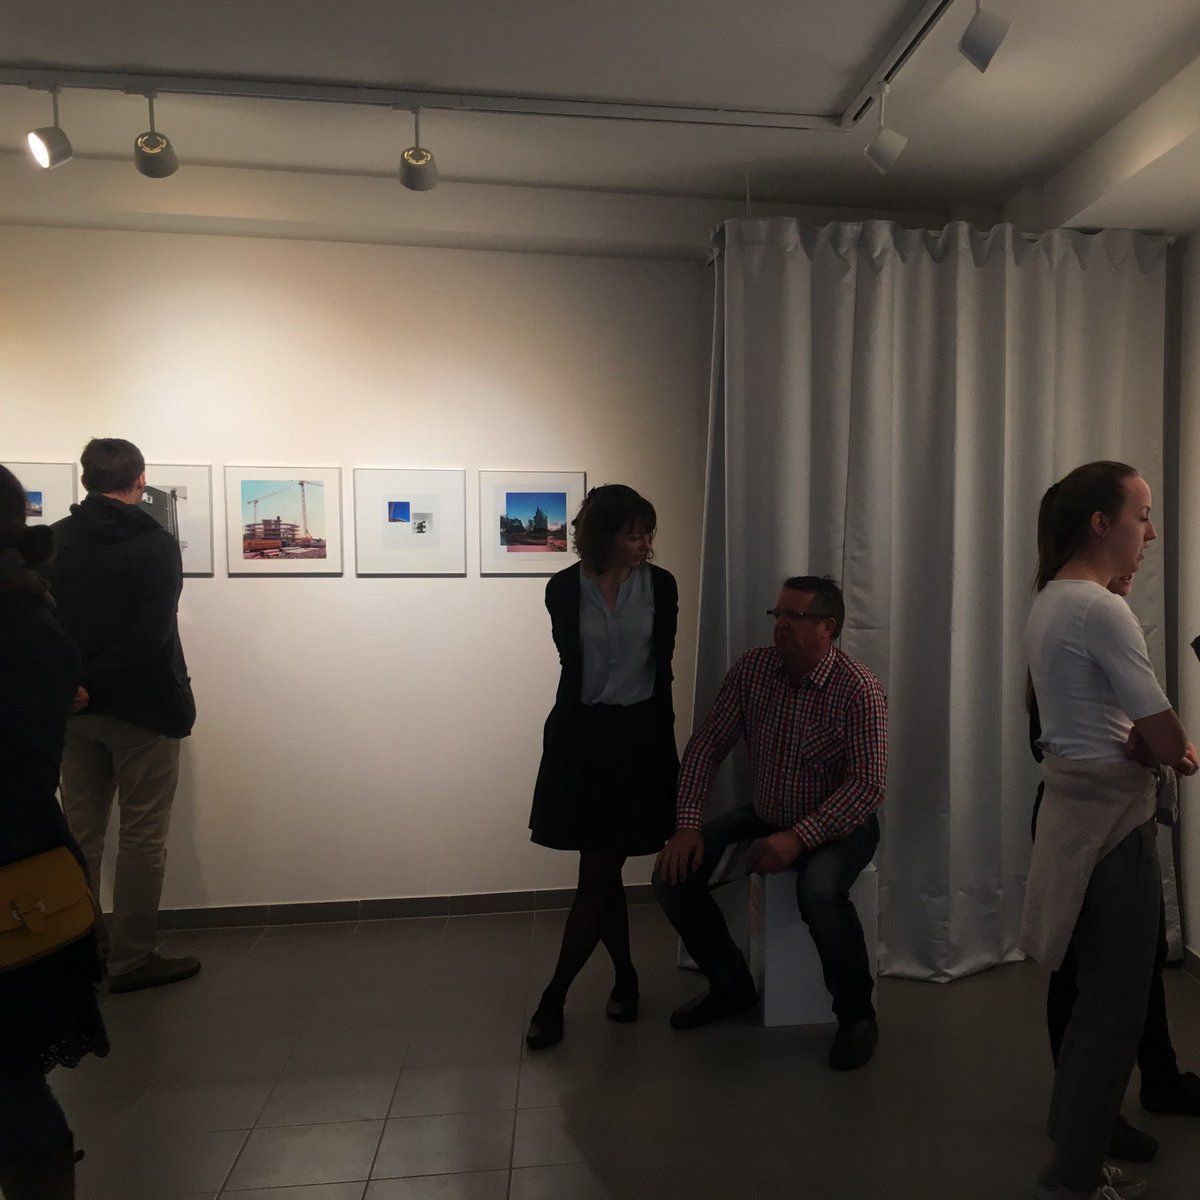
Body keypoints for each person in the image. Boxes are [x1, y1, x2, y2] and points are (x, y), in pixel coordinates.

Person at [1021, 461, 1198, 1200]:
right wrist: (1174, 747)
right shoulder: (1101, 610)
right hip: (1114, 830)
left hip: (1077, 816)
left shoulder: (1052, 598)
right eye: (1142, 515)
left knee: (1094, 1002)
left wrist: (1147, 740)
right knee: (1112, 1014)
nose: (1149, 533)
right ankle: (1072, 1181)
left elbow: (1115, 724)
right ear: (1102, 524)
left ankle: (1077, 1156)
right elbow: (1171, 744)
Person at [653, 575, 887, 1071]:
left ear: (827, 627)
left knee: (819, 892)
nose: (780, 624)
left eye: (794, 616)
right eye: (777, 614)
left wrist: (798, 838)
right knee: (672, 876)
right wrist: (688, 824)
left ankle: (857, 1016)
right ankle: (731, 985)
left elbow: (867, 787)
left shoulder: (858, 688)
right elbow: (707, 745)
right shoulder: (754, 670)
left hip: (838, 826)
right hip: (766, 812)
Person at [525, 484, 680, 1049]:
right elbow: (573, 665)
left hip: (639, 741)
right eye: (633, 533)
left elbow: (661, 666)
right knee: (600, 870)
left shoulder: (661, 586)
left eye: (647, 533)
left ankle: (556, 998)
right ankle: (621, 980)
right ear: (604, 535)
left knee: (598, 870)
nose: (644, 543)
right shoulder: (563, 589)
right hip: (582, 740)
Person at [48, 438, 199, 994]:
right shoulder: (154, 543)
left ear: (85, 479)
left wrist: (75, 685)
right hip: (143, 710)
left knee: (80, 834)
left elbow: (44, 627)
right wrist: (96, 682)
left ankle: (80, 956)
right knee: (142, 837)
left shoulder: (55, 540)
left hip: (74, 710)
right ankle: (132, 959)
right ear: (140, 480)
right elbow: (151, 634)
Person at [0, 464, 109, 1197]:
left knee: (11, 1086)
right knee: (14, 1084)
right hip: (29, 870)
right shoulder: (31, 617)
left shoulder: (22, 624)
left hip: (15, 876)